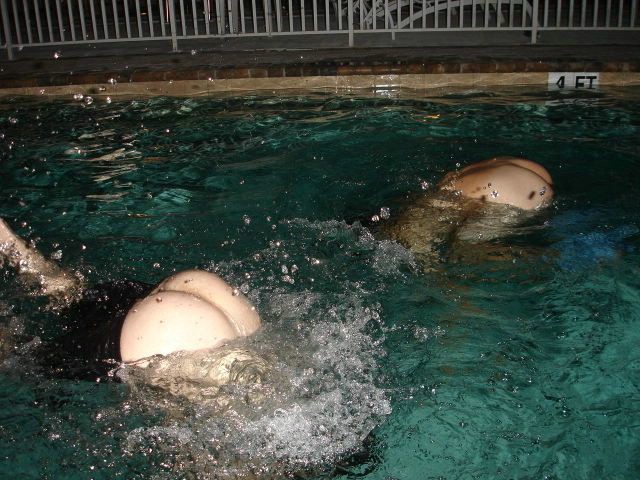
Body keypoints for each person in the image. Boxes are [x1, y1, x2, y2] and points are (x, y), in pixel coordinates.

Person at [0, 217, 261, 374]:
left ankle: (10, 243)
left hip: (205, 305)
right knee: (25, 356)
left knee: (72, 305)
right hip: (168, 328)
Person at [383, 156, 554, 265]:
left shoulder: (406, 234)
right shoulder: (411, 207)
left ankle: (537, 255)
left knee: (462, 251)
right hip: (511, 167)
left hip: (506, 189)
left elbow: (436, 274)